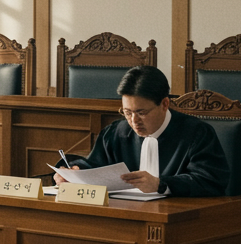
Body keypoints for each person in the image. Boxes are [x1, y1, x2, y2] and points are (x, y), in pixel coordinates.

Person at [55, 65, 230, 197]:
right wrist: (74, 172)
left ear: (164, 104)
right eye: (127, 112)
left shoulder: (196, 133)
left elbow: (210, 181)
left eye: (141, 113)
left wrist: (160, 184)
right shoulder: (115, 132)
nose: (134, 121)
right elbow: (96, 166)